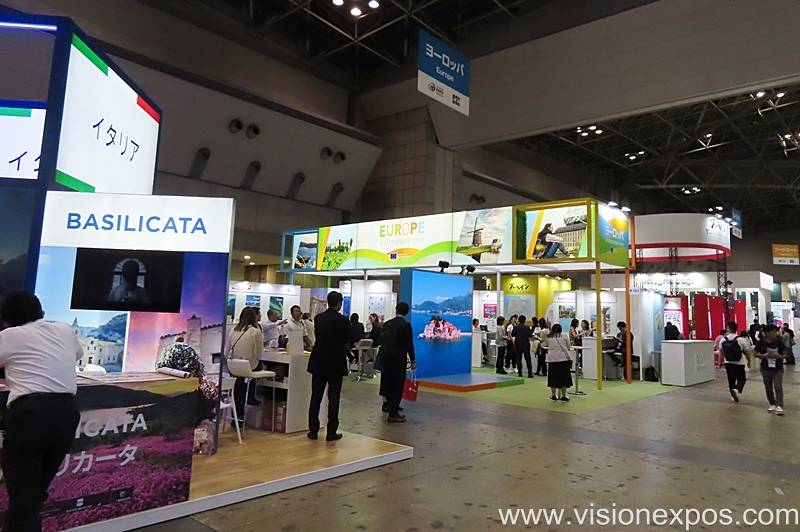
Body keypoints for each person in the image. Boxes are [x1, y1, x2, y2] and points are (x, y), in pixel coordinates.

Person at [0, 292, 82, 531]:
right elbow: (77, 355)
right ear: (42, 312)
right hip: (67, 413)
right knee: (34, 492)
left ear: (6, 319)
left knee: (23, 493)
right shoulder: (65, 330)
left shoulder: (9, 335)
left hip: (30, 416)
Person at [307, 291, 352, 440]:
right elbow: (347, 341)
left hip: (319, 360)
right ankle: (331, 431)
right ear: (339, 303)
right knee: (334, 397)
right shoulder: (343, 321)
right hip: (336, 362)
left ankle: (313, 430)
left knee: (316, 396)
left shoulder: (319, 318)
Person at [379, 302, 416, 423]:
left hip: (386, 358)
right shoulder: (406, 326)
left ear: (396, 310)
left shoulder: (387, 324)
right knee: (398, 385)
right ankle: (393, 413)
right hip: (399, 359)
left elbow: (381, 340)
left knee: (388, 383)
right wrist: (413, 360)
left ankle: (389, 406)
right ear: (407, 312)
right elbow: (409, 345)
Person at [227, 307, 265, 415]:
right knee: (260, 367)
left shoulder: (233, 330)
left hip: (232, 367)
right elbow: (258, 354)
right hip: (248, 367)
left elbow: (226, 352)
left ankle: (237, 415)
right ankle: (251, 398)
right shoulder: (255, 332)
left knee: (239, 384)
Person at [754, 324, 786, 415]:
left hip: (778, 367)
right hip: (765, 368)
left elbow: (785, 354)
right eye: (773, 331)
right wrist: (763, 355)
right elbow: (755, 353)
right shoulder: (761, 342)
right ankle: (772, 403)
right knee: (768, 387)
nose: (775, 333)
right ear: (767, 332)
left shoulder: (779, 342)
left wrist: (779, 356)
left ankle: (779, 405)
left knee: (778, 386)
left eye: (776, 331)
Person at [720, 320, 751, 403]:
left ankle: (733, 396)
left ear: (728, 328)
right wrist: (749, 361)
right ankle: (736, 389)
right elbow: (747, 351)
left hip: (728, 363)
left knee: (731, 379)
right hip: (739, 362)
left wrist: (720, 362)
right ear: (736, 329)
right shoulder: (740, 339)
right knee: (742, 379)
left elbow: (721, 352)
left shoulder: (723, 339)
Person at [546, 324, 573, 401]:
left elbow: (547, 345)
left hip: (552, 360)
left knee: (553, 378)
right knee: (564, 378)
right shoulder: (564, 336)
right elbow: (568, 346)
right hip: (563, 359)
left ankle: (553, 395)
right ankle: (563, 396)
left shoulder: (549, 337)